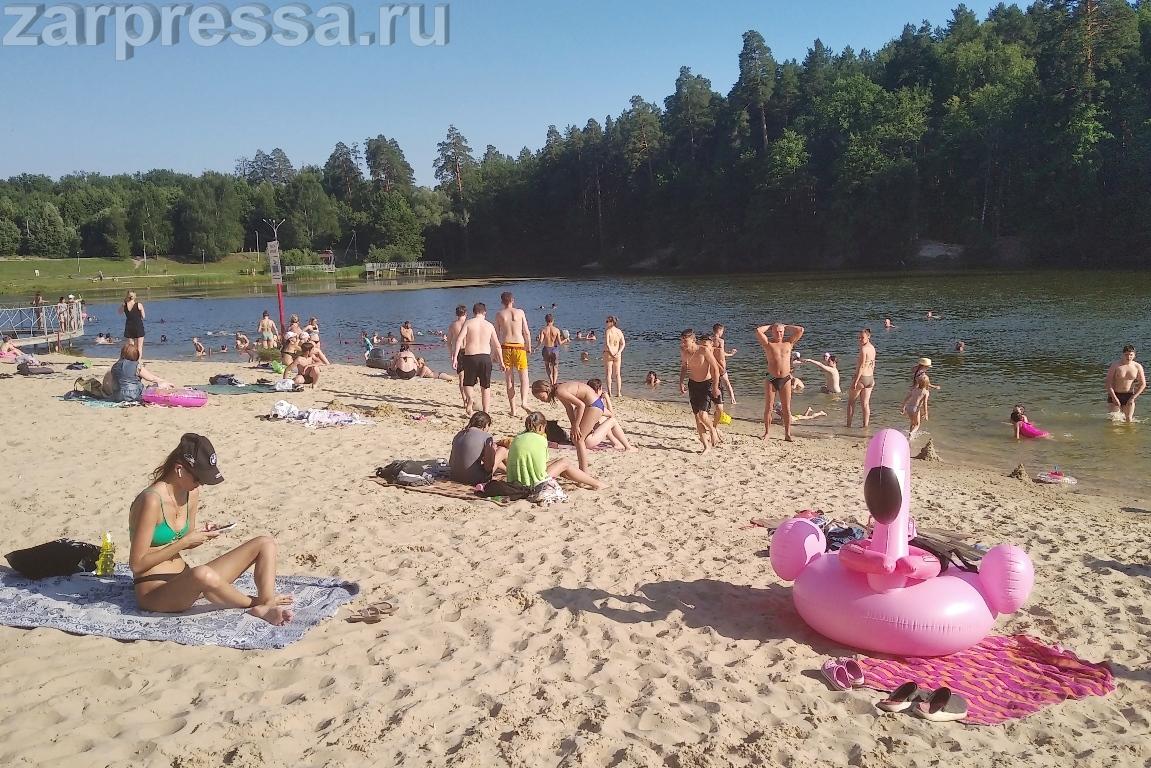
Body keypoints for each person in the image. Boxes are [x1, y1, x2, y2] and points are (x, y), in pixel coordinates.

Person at [128, 433, 294, 626]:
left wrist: (202, 534)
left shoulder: (190, 493)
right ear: (180, 470)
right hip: (155, 592)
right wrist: (185, 542)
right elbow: (137, 564)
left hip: (185, 580)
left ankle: (266, 601)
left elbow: (184, 539)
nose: (201, 484)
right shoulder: (151, 500)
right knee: (202, 574)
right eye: (198, 479)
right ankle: (257, 604)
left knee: (265, 543)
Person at [507, 411, 603, 491]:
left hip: (514, 482)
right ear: (541, 427)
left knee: (558, 462)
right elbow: (541, 468)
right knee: (565, 462)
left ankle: (582, 480)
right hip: (532, 484)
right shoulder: (540, 440)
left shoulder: (518, 438)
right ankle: (596, 484)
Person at [529, 379, 609, 471]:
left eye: (541, 397)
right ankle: (583, 472)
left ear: (545, 389)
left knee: (578, 440)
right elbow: (569, 408)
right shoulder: (558, 391)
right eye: (538, 399)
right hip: (592, 404)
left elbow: (580, 405)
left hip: (593, 405)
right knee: (576, 438)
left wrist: (576, 426)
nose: (541, 400)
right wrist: (573, 426)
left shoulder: (559, 391)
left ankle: (584, 473)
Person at [755, 322, 806, 442]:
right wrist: (771, 326)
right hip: (771, 378)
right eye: (777, 331)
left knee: (786, 408)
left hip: (786, 378)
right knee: (769, 407)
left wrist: (785, 326)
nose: (779, 334)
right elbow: (758, 331)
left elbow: (801, 330)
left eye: (781, 332)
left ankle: (787, 434)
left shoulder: (789, 342)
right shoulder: (768, 343)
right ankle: (767, 433)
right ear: (772, 332)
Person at [452, 302, 503, 416]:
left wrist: (455, 357)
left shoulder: (468, 323)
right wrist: (501, 362)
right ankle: (486, 412)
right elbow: (497, 345)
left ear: (474, 312)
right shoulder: (489, 325)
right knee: (485, 386)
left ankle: (470, 398)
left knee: (468, 383)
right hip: (485, 357)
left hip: (470, 356)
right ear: (484, 312)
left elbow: (459, 340)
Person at [678, 329, 722, 452]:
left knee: (703, 415)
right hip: (693, 384)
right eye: (682, 341)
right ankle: (706, 447)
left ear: (693, 340)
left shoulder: (703, 350)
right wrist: (681, 382)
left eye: (685, 341)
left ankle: (712, 429)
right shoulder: (683, 351)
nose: (683, 343)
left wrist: (715, 386)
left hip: (706, 384)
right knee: (697, 418)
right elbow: (684, 367)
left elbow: (715, 369)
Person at [495, 291, 532, 416]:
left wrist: (495, 353)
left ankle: (513, 410)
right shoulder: (520, 312)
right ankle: (524, 401)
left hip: (506, 347)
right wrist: (529, 346)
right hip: (519, 346)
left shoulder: (499, 314)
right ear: (513, 300)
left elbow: (496, 335)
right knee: (524, 377)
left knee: (509, 380)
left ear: (502, 302)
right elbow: (526, 332)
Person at [448, 412, 507, 485]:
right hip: (474, 480)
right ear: (486, 425)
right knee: (502, 450)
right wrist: (492, 451)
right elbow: (488, 468)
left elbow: (451, 461)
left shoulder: (459, 434)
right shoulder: (486, 437)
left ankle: (507, 470)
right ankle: (512, 471)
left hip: (454, 476)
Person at [103, 342, 173, 401]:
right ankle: (167, 385)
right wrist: (163, 381)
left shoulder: (115, 366)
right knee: (156, 386)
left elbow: (111, 383)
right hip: (135, 394)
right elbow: (152, 378)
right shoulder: (136, 365)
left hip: (118, 396)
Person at [582, 378, 636, 451]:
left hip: (576, 439)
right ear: (599, 390)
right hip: (587, 441)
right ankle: (628, 447)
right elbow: (611, 415)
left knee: (601, 420)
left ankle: (616, 443)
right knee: (612, 421)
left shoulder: (581, 402)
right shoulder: (595, 405)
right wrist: (607, 399)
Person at [1106, 344, 1146, 423]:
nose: (1128, 357)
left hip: (1129, 395)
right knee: (1114, 421)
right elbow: (1108, 383)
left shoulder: (1137, 366)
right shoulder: (1115, 365)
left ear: (1134, 355)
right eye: (1126, 355)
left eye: (1131, 355)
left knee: (1129, 420)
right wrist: (1114, 397)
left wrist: (1133, 397)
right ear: (1122, 355)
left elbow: (1143, 384)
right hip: (1115, 394)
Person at [846, 329, 876, 428]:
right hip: (870, 378)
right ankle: (865, 426)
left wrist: (855, 381)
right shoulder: (872, 348)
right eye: (859, 337)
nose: (860, 339)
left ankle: (848, 425)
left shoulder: (864, 349)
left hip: (862, 378)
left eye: (862, 338)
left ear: (868, 337)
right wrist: (872, 377)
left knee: (851, 402)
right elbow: (873, 363)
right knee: (865, 404)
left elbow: (861, 366)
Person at [699, 334, 731, 425]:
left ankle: (715, 425)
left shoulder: (714, 351)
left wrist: (722, 369)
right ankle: (710, 427)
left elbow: (722, 356)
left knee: (720, 409)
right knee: (703, 410)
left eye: (706, 345)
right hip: (704, 383)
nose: (704, 347)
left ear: (711, 344)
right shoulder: (698, 352)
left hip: (716, 382)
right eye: (702, 345)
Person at [446, 304, 469, 404]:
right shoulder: (469, 323)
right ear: (466, 313)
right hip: (469, 351)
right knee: (470, 378)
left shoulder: (453, 325)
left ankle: (464, 399)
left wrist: (452, 354)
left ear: (456, 314)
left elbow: (449, 342)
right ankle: (469, 397)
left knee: (461, 378)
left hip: (459, 352)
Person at [713, 323, 738, 404]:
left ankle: (716, 399)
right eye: (722, 331)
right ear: (720, 330)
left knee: (714, 382)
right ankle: (733, 400)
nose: (722, 333)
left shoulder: (709, 340)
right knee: (727, 383)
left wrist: (730, 354)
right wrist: (731, 354)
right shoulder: (721, 341)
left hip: (712, 365)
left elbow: (718, 352)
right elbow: (721, 354)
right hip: (721, 366)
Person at [901, 374, 931, 438]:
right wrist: (926, 413)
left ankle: (910, 437)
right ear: (927, 383)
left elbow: (907, 398)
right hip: (915, 408)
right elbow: (924, 403)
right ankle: (912, 433)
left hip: (908, 407)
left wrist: (903, 407)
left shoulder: (914, 389)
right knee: (917, 424)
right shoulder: (926, 392)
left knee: (912, 423)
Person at [603, 316, 626, 397]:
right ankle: (619, 393)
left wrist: (611, 352)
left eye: (607, 321)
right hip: (617, 353)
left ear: (611, 322)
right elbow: (623, 343)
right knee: (617, 374)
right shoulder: (619, 331)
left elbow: (607, 344)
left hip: (609, 353)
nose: (606, 323)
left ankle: (610, 392)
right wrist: (619, 352)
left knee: (608, 373)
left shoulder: (608, 331)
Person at [119, 291, 146, 358]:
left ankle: (131, 360)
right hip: (138, 326)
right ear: (135, 297)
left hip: (129, 327)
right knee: (139, 347)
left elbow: (119, 312)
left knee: (131, 347)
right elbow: (143, 316)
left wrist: (123, 305)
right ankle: (138, 362)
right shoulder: (139, 305)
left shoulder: (124, 305)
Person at [538, 313, 563, 385]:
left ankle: (551, 380)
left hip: (546, 349)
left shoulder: (543, 330)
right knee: (555, 367)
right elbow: (560, 343)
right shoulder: (557, 330)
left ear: (545, 320)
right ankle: (554, 383)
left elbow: (540, 341)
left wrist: (536, 347)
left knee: (547, 366)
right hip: (554, 349)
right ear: (553, 320)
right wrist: (566, 340)